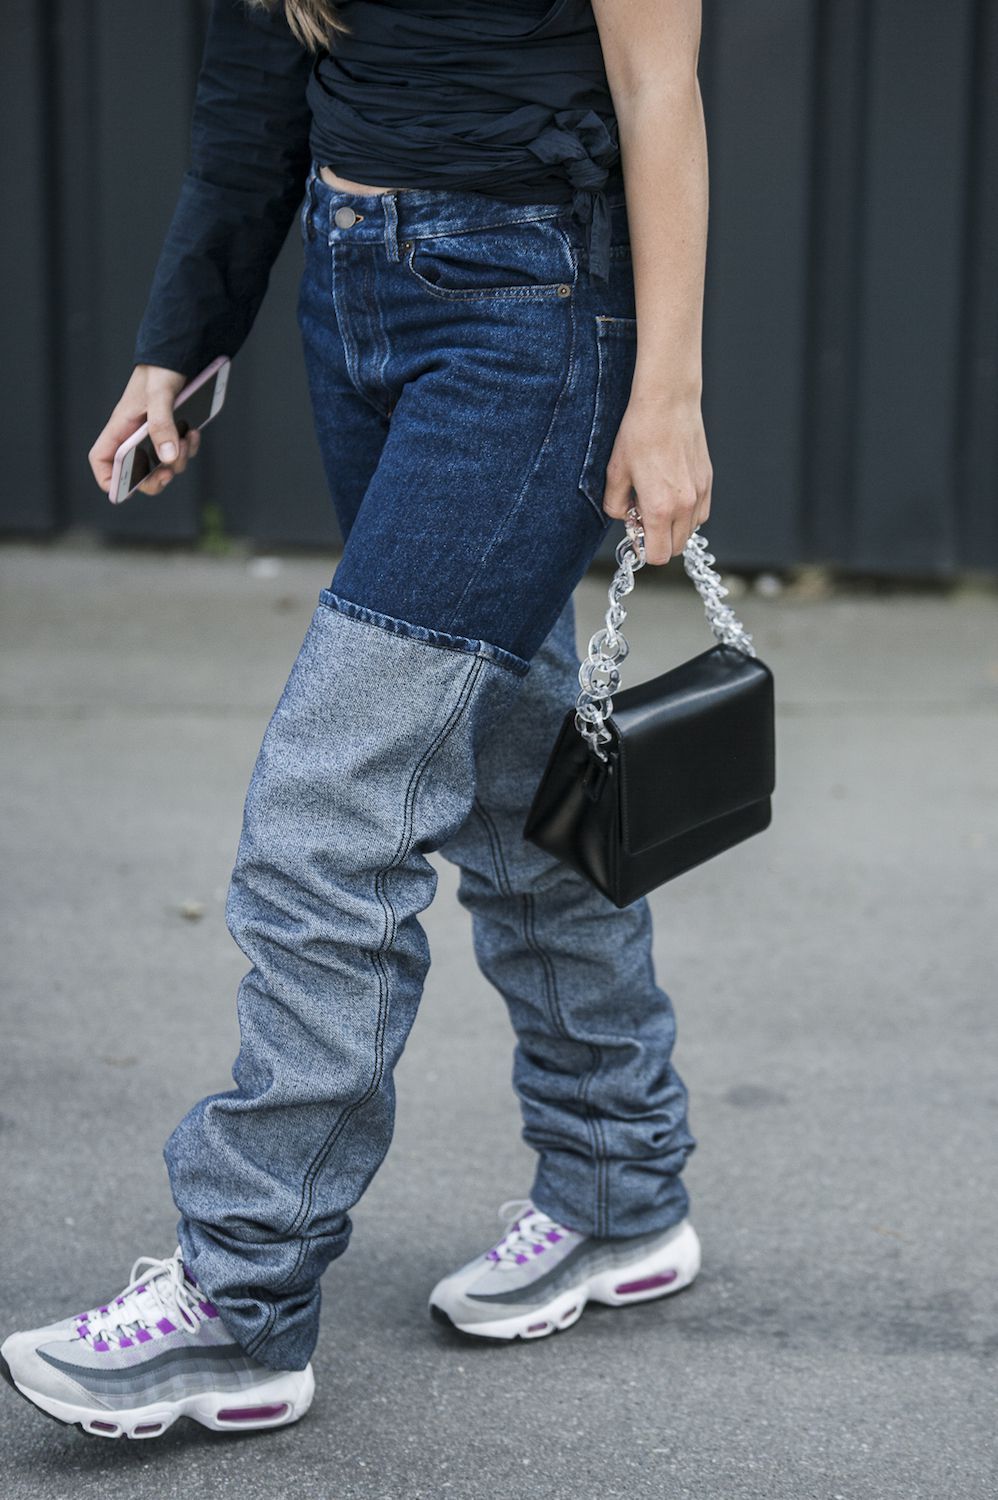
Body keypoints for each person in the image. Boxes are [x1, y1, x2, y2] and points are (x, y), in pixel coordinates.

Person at [1, 0, 712, 1439]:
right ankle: (619, 1188)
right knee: (510, 776)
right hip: (356, 297)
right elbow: (256, 87)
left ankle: (241, 1302)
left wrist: (668, 398)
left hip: (533, 316)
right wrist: (180, 340)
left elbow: (658, 93)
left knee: (331, 807)